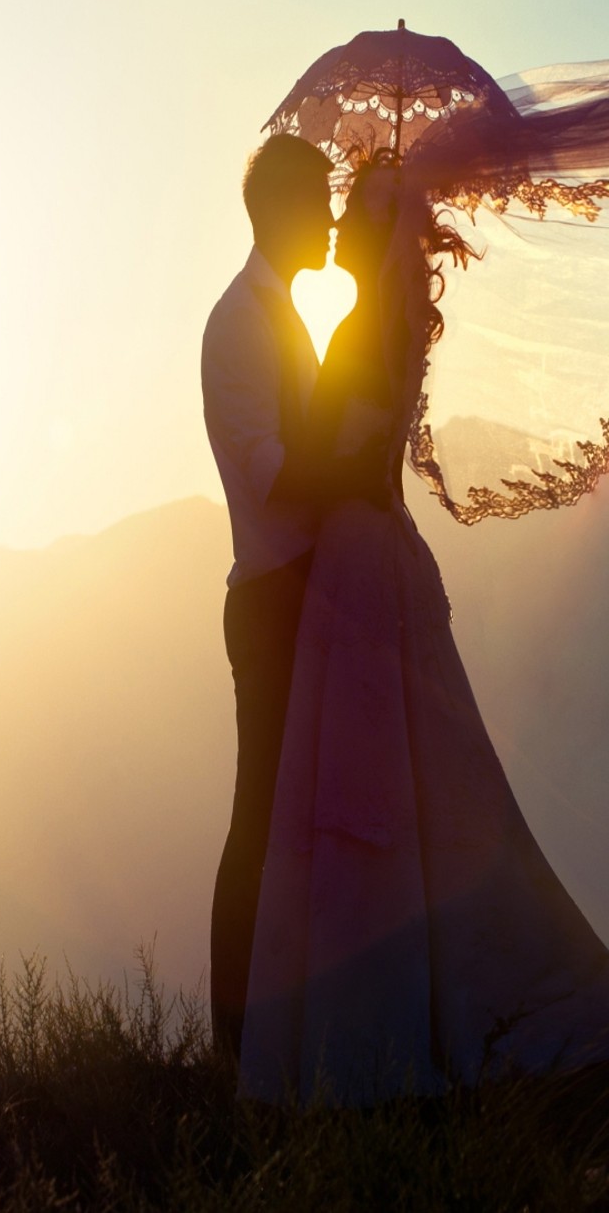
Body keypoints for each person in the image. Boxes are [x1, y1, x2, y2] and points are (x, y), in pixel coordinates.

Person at [237, 155, 609, 1103]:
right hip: (378, 557)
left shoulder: (358, 331)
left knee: (362, 799)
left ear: (380, 233)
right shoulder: (387, 327)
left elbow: (337, 464)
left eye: (355, 214)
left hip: (356, 568)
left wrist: (302, 451)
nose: (341, 225)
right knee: (418, 788)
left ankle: (369, 1032)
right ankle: (424, 996)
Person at [200, 132, 343, 1062]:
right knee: (261, 815)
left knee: (296, 817)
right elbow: (272, 475)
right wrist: (352, 461)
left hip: (305, 595)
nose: (330, 219)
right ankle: (235, 1037)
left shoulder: (283, 315)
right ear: (282, 211)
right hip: (269, 601)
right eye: (320, 201)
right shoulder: (240, 325)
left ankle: (284, 1027)